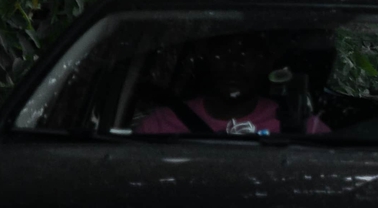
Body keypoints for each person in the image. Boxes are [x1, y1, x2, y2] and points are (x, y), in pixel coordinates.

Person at [133, 32, 324, 137]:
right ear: (206, 58)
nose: (234, 64)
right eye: (223, 52)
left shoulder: (303, 128)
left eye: (247, 54)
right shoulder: (158, 126)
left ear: (266, 64)